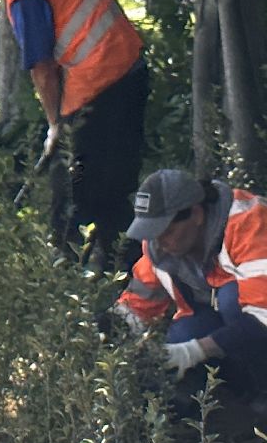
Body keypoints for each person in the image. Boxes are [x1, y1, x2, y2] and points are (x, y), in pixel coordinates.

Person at [0, 0, 148, 267]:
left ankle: (70, 258)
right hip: (127, 66)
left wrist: (56, 124)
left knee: (73, 177)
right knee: (112, 178)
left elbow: (43, 69)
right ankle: (115, 259)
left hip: (103, 77)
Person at [113, 168, 267, 401]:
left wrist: (195, 351)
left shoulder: (248, 223)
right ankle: (235, 400)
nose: (159, 242)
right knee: (183, 334)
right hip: (231, 330)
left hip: (256, 319)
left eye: (166, 230)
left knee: (230, 301)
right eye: (152, 232)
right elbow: (136, 307)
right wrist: (96, 334)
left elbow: (263, 315)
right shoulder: (159, 250)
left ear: (196, 214)